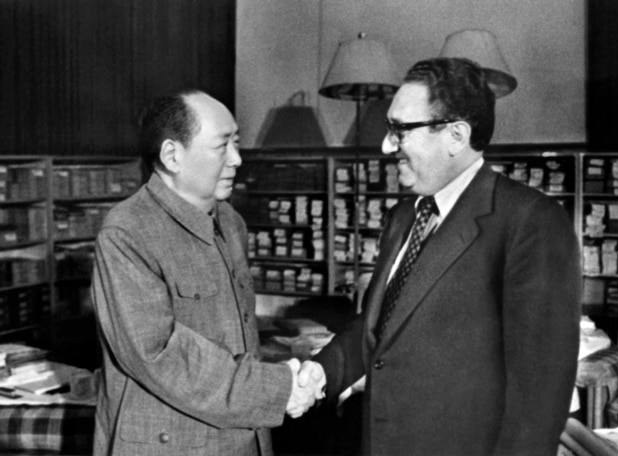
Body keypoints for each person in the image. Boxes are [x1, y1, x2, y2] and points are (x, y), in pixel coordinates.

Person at [313, 57, 581, 456]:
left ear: (456, 135)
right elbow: (377, 331)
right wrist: (319, 373)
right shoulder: (403, 216)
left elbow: (540, 394)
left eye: (400, 130)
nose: (387, 145)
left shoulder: (530, 221)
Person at [91, 88, 324, 456]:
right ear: (172, 155)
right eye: (222, 146)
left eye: (237, 142)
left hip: (243, 437)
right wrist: (278, 388)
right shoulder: (127, 232)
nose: (237, 159)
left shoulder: (230, 222)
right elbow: (159, 353)